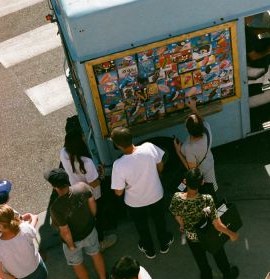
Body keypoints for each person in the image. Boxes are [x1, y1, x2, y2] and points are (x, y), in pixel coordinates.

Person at [169, 168, 239, 279]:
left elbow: (176, 213)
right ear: (202, 183)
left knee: (200, 259)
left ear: (185, 181)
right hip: (209, 235)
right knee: (218, 254)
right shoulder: (207, 199)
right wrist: (231, 234)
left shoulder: (177, 197)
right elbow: (217, 225)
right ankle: (227, 276)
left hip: (192, 236)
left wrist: (182, 225)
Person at [111, 126, 174, 259]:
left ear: (117, 145)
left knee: (142, 226)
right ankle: (164, 243)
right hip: (156, 194)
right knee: (159, 220)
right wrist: (157, 174)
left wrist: (127, 184)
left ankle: (149, 249)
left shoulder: (119, 164)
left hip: (135, 203)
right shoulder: (149, 147)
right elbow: (160, 164)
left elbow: (118, 192)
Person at [46, 169, 109, 279]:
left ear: (53, 186)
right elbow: (92, 203)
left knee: (77, 263)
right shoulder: (82, 187)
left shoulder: (56, 207)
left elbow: (65, 231)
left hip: (73, 240)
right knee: (96, 254)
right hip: (90, 231)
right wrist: (92, 219)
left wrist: (70, 245)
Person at [60, 129, 117, 251]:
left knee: (88, 217)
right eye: (82, 138)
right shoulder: (87, 162)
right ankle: (100, 242)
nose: (85, 139)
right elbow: (93, 183)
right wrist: (101, 175)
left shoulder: (63, 153)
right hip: (92, 195)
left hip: (76, 191)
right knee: (97, 216)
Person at [174, 98, 218, 201]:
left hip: (201, 172)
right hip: (209, 163)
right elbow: (201, 121)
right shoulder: (206, 129)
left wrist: (178, 152)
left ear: (187, 130)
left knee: (205, 191)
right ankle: (213, 200)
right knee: (212, 186)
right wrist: (194, 108)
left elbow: (192, 171)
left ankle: (208, 205)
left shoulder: (189, 148)